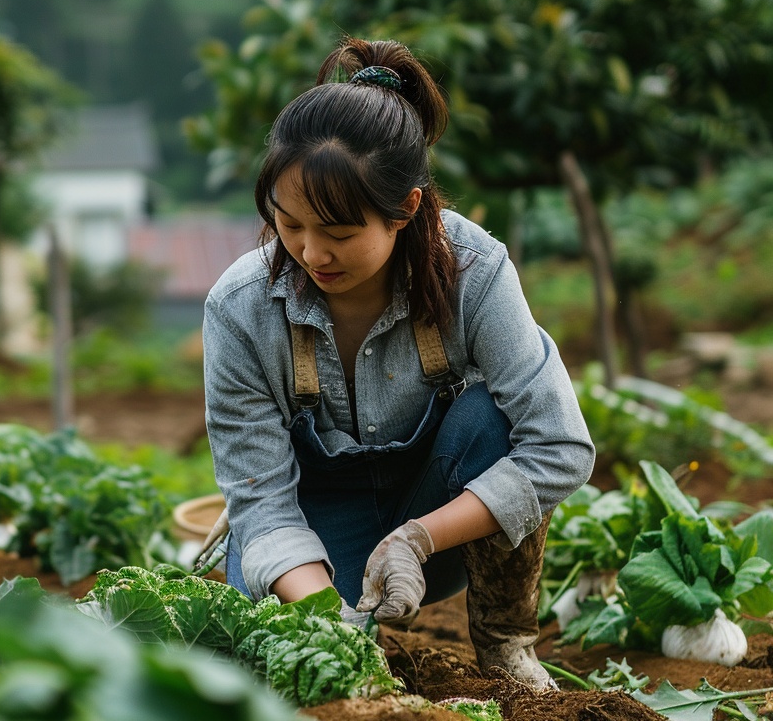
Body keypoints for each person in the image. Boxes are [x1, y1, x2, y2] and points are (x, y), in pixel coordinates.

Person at [202, 37, 595, 690]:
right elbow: (262, 502)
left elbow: (560, 447)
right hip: (316, 544)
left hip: (444, 532)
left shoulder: (476, 270)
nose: (309, 251)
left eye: (339, 232)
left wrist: (416, 539)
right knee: (265, 626)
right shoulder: (241, 309)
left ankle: (504, 644)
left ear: (406, 209)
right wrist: (328, 625)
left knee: (491, 417)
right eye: (289, 222)